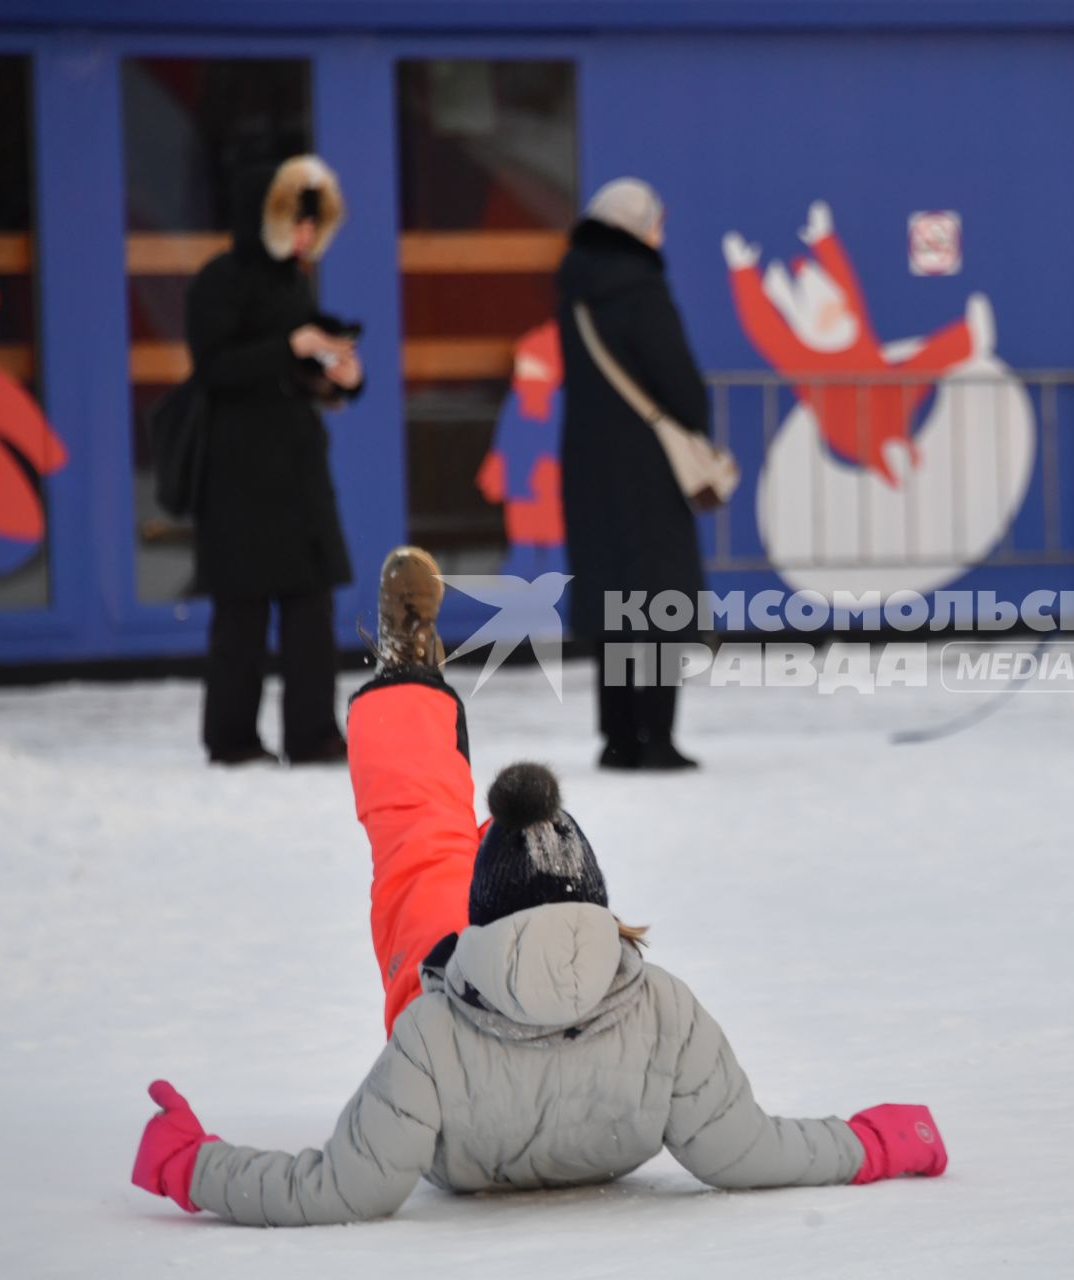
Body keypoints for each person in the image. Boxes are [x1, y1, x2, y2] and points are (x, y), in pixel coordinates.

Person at [129, 547, 948, 1224]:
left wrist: (189, 1164)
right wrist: (883, 1140)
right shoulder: (664, 1009)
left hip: (460, 1006)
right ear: (599, 903)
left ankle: (408, 678)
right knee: (458, 849)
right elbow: (752, 1150)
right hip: (573, 988)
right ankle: (424, 696)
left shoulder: (431, 1038)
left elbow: (338, 1188)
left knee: (423, 842)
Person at [186, 155, 362, 766]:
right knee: (242, 609)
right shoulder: (220, 279)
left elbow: (294, 375)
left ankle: (313, 733)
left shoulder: (295, 282)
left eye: (316, 226)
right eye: (298, 222)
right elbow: (215, 367)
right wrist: (291, 345)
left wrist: (340, 377)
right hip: (239, 473)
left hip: (297, 471)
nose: (308, 237)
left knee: (312, 604)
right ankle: (232, 739)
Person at [556, 178, 710, 772]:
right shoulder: (643, 289)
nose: (660, 231)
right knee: (662, 601)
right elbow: (680, 387)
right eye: (655, 220)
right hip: (648, 469)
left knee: (614, 601)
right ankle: (659, 735)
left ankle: (619, 737)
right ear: (634, 224)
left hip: (590, 467)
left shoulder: (572, 286)